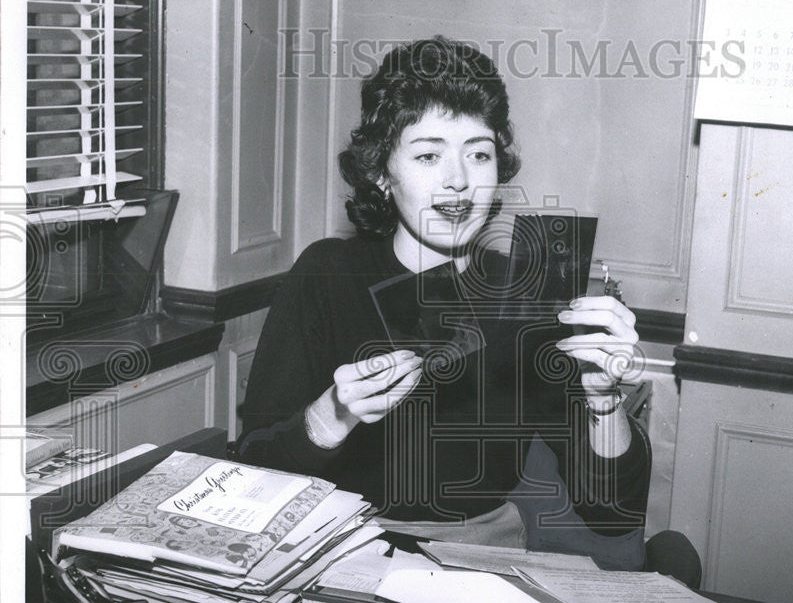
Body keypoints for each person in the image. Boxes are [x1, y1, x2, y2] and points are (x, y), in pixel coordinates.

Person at [235, 36, 652, 570]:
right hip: (339, 554)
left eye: (478, 154)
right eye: (429, 154)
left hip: (482, 564)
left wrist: (603, 400)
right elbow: (250, 471)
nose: (459, 181)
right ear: (382, 173)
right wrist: (331, 417)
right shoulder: (327, 274)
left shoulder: (526, 294)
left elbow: (612, 514)